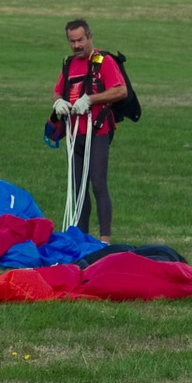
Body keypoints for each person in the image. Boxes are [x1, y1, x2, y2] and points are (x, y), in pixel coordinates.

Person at [48, 19, 128, 243]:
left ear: (90, 37)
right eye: (72, 41)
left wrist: (91, 99)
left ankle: (104, 239)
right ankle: (81, 237)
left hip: (98, 132)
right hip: (74, 134)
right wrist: (59, 103)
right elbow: (57, 92)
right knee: (77, 187)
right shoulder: (69, 64)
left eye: (80, 40)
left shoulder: (104, 62)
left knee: (98, 183)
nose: (76, 46)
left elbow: (121, 91)